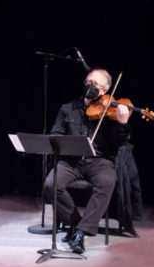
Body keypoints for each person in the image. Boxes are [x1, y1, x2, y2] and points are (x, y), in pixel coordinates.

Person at [43, 68, 131, 254]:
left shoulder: (111, 111)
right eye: (88, 82)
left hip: (100, 162)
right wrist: (62, 142)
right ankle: (77, 226)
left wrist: (122, 124)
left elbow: (118, 143)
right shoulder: (67, 108)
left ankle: (81, 233)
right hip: (72, 161)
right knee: (51, 184)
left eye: (95, 84)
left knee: (107, 182)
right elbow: (56, 133)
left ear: (104, 90)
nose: (90, 86)